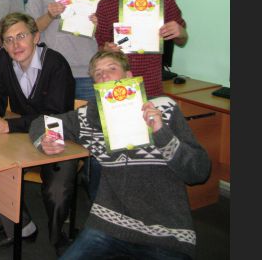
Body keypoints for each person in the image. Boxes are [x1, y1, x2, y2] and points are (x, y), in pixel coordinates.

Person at [29, 50, 210, 259]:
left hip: (166, 234)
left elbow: (199, 172)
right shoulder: (88, 117)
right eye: (98, 73)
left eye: (112, 69)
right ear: (94, 85)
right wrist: (45, 140)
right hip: (108, 225)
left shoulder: (163, 108)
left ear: (128, 76)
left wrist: (162, 133)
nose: (104, 75)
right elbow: (42, 122)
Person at [0, 12, 76, 253]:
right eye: (8, 40)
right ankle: (23, 227)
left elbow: (55, 116)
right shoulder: (2, 60)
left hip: (57, 133)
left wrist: (8, 126)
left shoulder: (56, 64)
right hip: (21, 133)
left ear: (36, 37)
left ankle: (57, 236)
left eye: (21, 36)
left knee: (57, 185)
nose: (15, 45)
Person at [95, 0, 188, 98]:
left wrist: (179, 31)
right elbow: (100, 48)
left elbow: (182, 40)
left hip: (151, 88)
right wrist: (107, 49)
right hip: (118, 91)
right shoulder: (105, 6)